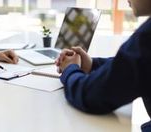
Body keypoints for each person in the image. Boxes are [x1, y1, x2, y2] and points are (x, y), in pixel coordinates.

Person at [56, 0, 151, 131]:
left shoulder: (147, 37)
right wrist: (92, 64)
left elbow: (90, 95)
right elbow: (130, 64)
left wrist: (69, 69)